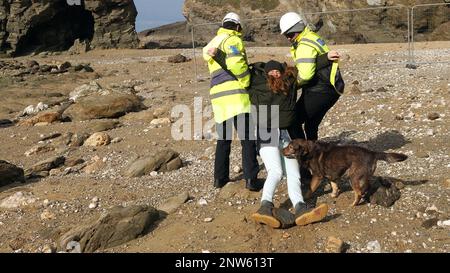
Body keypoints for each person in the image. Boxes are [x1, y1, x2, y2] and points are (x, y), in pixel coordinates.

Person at [247, 60, 332, 228]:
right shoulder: (257, 86)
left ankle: (301, 208)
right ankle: (265, 206)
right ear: (266, 74)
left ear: (283, 72)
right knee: (276, 171)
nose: (274, 74)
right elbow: (236, 69)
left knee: (294, 174)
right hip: (266, 132)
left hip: (286, 135)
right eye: (271, 72)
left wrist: (326, 58)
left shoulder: (289, 85)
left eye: (277, 71)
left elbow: (308, 64)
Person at [280, 12, 345, 184]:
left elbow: (306, 74)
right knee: (310, 124)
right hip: (330, 89)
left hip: (320, 89)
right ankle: (317, 162)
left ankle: (307, 163)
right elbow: (315, 62)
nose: (288, 38)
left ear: (297, 30)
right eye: (286, 35)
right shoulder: (311, 37)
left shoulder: (304, 45)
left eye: (289, 34)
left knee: (292, 121)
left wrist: (290, 87)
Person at [202, 12, 259, 191]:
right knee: (247, 139)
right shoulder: (233, 40)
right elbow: (236, 65)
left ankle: (220, 179)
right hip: (236, 95)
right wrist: (246, 81)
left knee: (224, 139)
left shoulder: (213, 42)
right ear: (237, 26)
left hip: (218, 97)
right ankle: (251, 180)